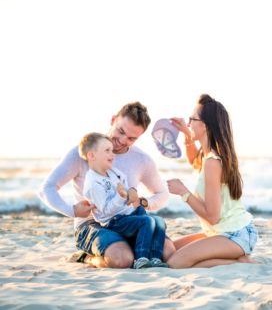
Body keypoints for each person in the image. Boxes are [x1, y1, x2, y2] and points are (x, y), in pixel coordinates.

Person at [39, 102, 175, 268]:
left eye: (132, 138)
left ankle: (132, 250)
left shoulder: (142, 160)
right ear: (113, 120)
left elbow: (162, 195)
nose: (122, 141)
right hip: (92, 224)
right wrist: (72, 210)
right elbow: (47, 188)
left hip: (129, 220)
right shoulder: (83, 153)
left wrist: (144, 202)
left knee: (168, 255)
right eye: (121, 131)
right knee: (122, 260)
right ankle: (88, 257)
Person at [166, 94, 260, 268]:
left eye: (192, 119)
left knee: (175, 262)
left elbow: (212, 217)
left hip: (236, 234)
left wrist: (183, 192)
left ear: (205, 126)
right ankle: (235, 259)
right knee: (168, 252)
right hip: (223, 233)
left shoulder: (212, 162)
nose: (189, 123)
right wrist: (187, 134)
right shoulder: (209, 156)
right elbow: (194, 160)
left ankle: (238, 261)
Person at [80, 132, 169, 269]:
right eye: (107, 150)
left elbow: (125, 186)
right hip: (114, 220)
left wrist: (131, 190)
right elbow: (106, 210)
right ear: (92, 156)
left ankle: (155, 258)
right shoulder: (93, 183)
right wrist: (120, 195)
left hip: (128, 214)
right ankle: (141, 258)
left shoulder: (112, 172)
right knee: (147, 221)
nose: (112, 154)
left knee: (159, 222)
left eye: (111, 150)